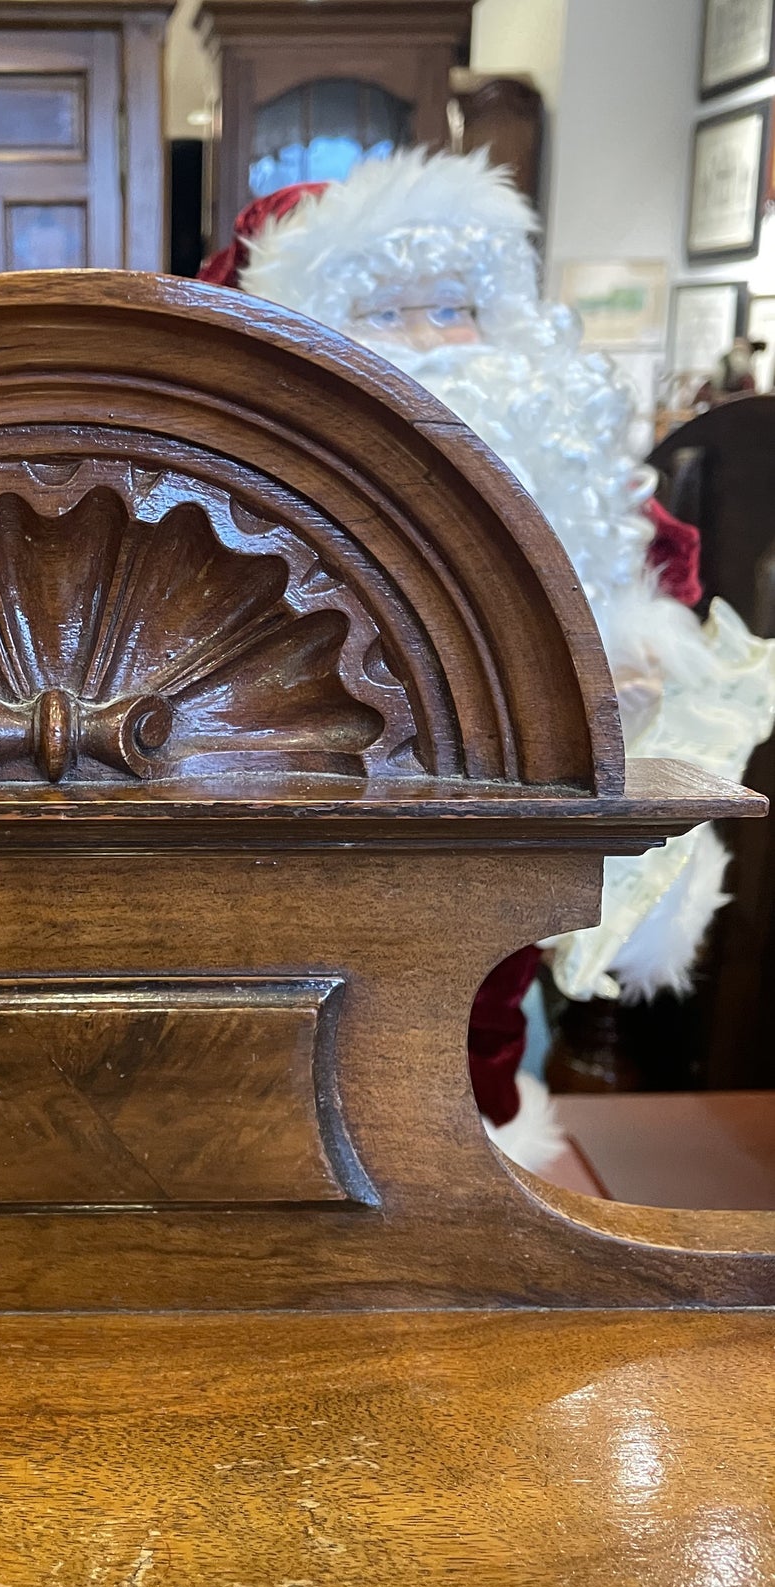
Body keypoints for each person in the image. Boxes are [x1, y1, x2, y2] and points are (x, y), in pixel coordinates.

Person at [200, 148, 775, 1171]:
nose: (430, 343)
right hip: (311, 818)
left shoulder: (577, 486)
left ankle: (477, 1152)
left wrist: (629, 683)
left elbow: (649, 602)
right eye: (384, 314)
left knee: (484, 987)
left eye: (452, 308)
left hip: (520, 809)